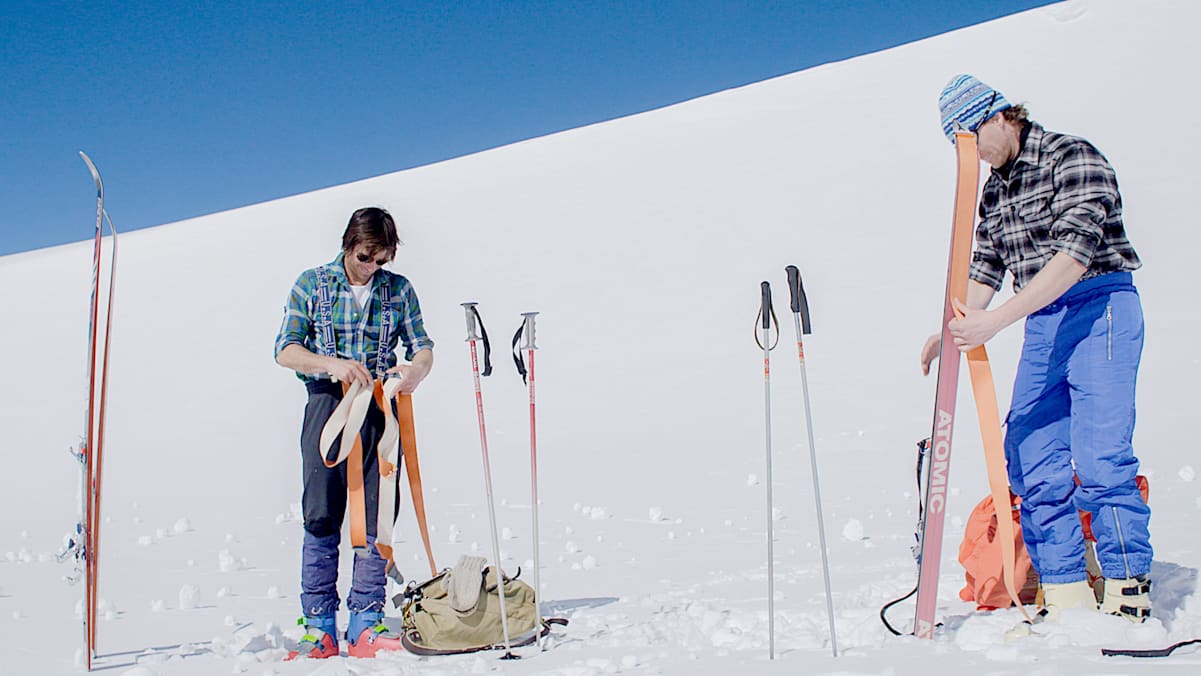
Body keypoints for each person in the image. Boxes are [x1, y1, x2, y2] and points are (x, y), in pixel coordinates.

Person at [922, 75, 1151, 622]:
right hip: (1042, 318)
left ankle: (1127, 590)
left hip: (1100, 307)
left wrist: (996, 321)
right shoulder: (995, 191)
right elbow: (985, 266)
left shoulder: (1072, 157)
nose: (971, 153)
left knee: (1100, 455)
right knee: (1030, 455)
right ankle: (1065, 587)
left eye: (971, 135)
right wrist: (950, 329)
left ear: (1000, 115)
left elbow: (1073, 258)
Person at [274, 206, 435, 657]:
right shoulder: (312, 283)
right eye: (366, 257)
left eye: (381, 260)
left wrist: (415, 372)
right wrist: (332, 364)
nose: (373, 267)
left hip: (381, 405)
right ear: (350, 245)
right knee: (321, 509)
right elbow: (285, 349)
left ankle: (366, 622)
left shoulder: (398, 290)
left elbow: (422, 345)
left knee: (380, 509)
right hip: (328, 401)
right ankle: (319, 627)